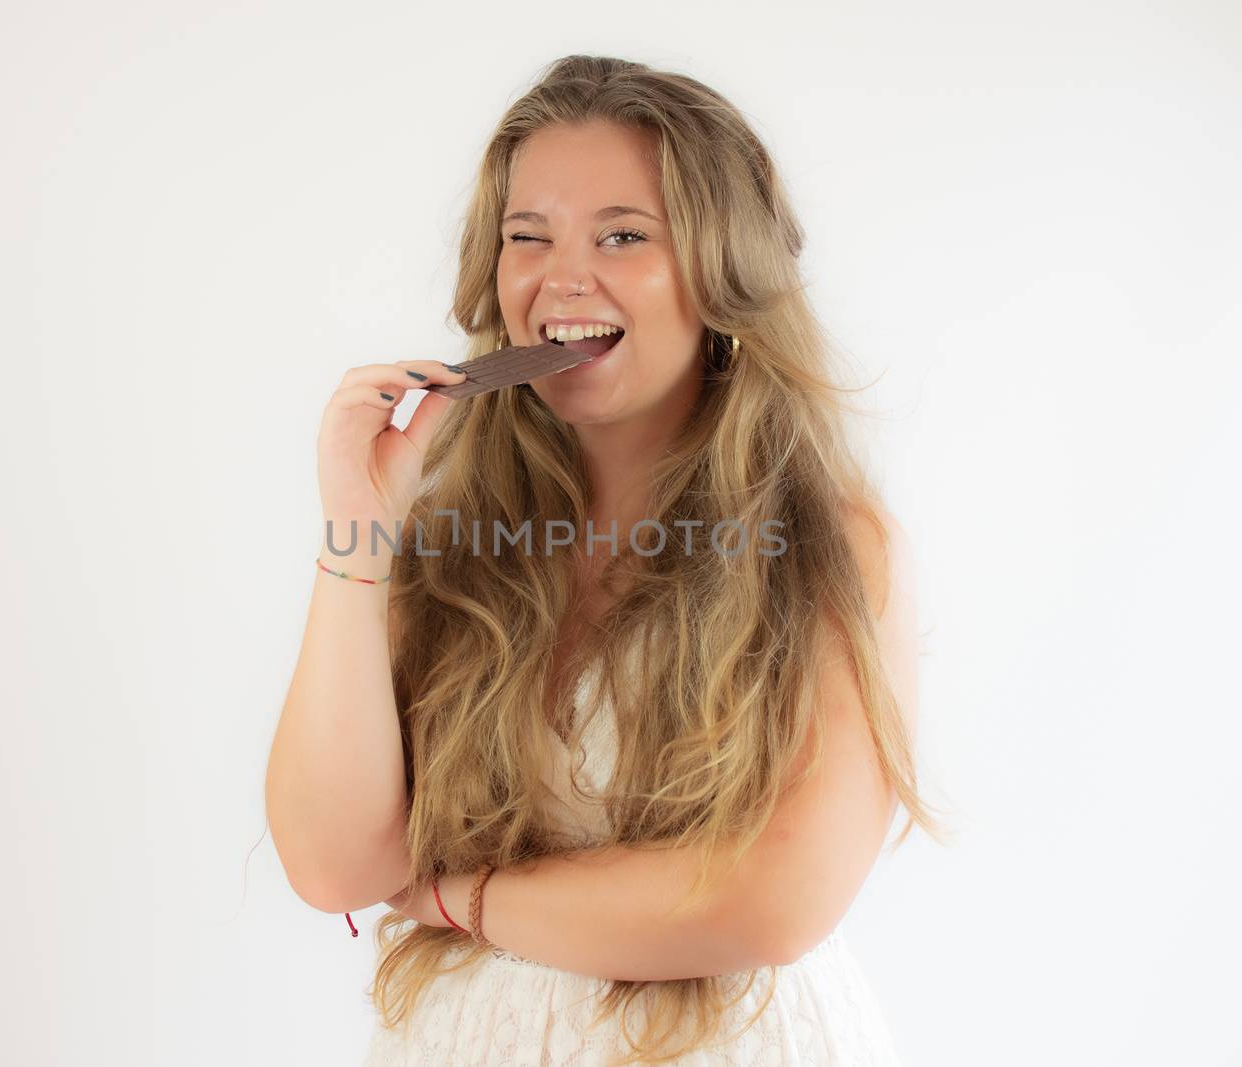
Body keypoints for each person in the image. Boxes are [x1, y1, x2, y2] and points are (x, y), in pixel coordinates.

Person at [266, 54, 948, 1065]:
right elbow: (333, 863)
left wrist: (463, 896)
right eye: (525, 237)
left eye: (623, 236)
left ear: (723, 273)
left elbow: (772, 897)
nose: (561, 280)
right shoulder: (453, 540)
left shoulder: (826, 544)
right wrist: (355, 528)